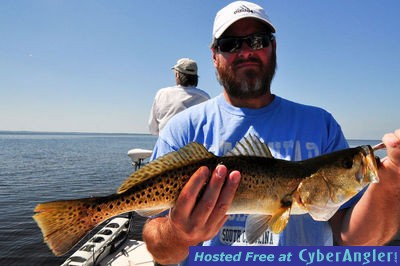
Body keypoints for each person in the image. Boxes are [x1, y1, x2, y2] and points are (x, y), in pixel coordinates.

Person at [142, 1, 400, 265]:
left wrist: (392, 178)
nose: (245, 52)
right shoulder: (182, 129)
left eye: (257, 41)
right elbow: (161, 250)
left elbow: (356, 241)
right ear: (214, 55)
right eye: (230, 44)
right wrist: (177, 234)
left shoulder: (321, 124)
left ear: (273, 47)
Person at [148, 58, 210, 135]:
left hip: (166, 144)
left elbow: (152, 128)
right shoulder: (204, 97)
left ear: (177, 75)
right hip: (193, 146)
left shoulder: (162, 94)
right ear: (195, 77)